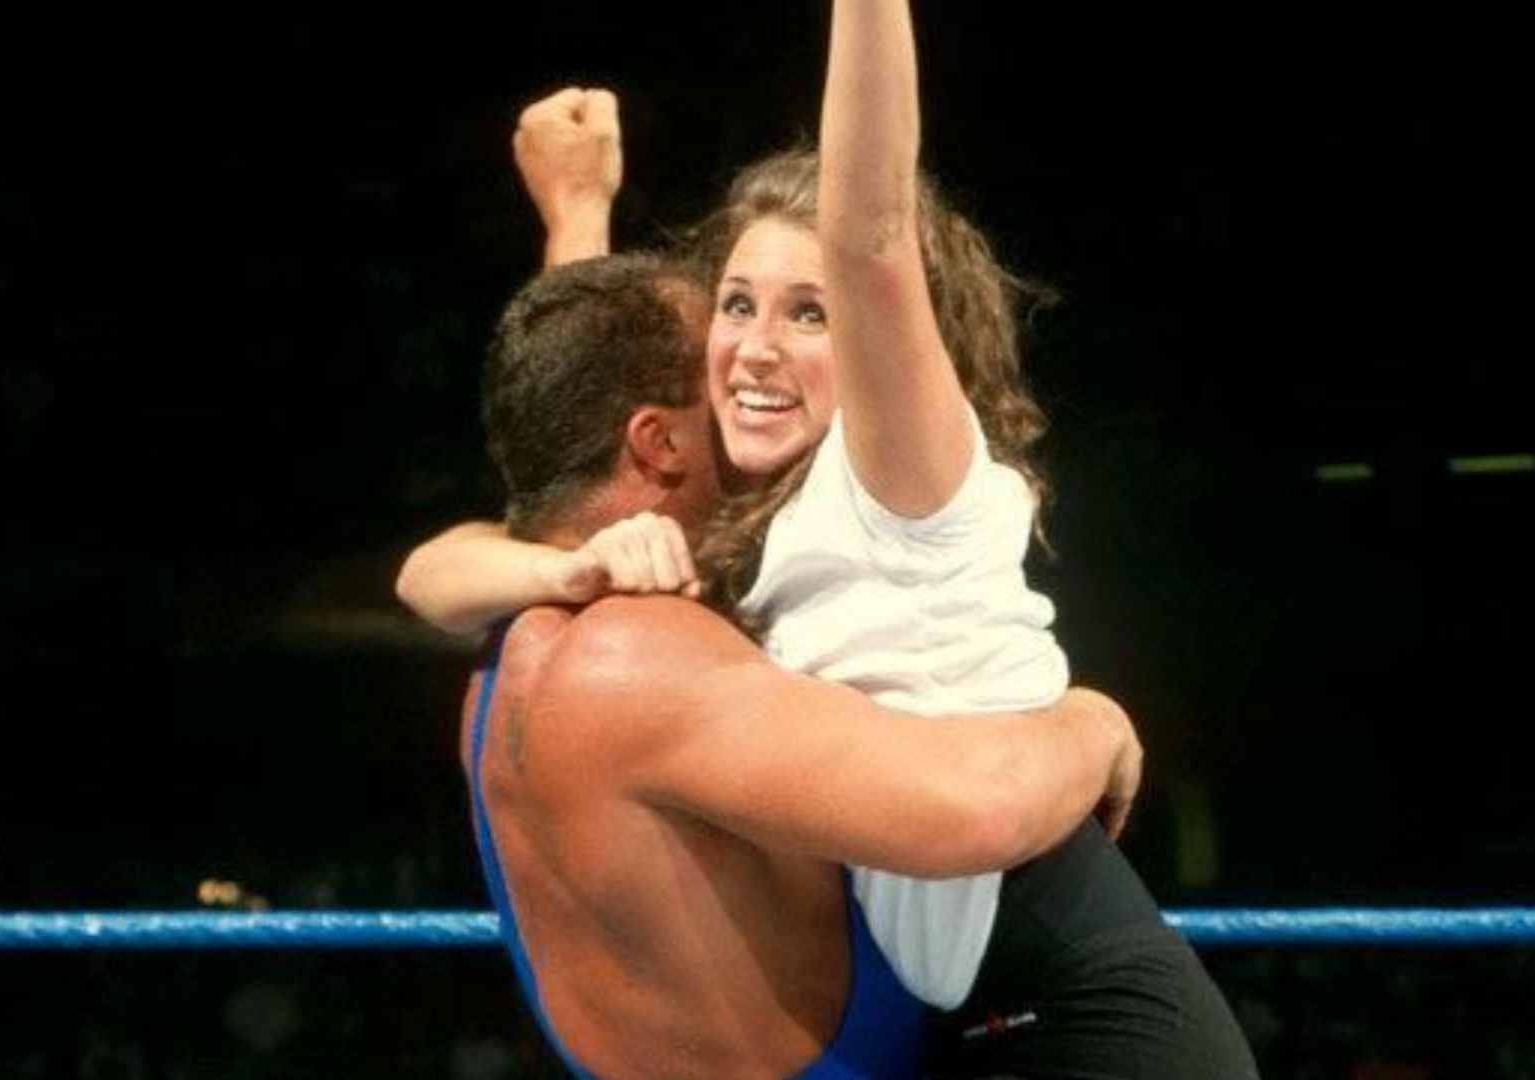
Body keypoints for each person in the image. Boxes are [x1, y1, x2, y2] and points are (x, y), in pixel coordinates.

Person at [403, 3, 1260, 1075]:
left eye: (810, 314)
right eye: (736, 305)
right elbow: (568, 444)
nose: (757, 349)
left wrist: (1093, 725)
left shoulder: (898, 480)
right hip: (972, 1025)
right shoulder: (746, 526)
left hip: (1084, 1011)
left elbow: (870, 236)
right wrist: (578, 218)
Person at [458, 250, 1142, 1079]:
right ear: (658, 440)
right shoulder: (633, 656)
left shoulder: (507, 649)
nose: (746, 384)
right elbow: (978, 810)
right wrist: (1092, 723)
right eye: (718, 383)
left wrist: (573, 211)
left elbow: (566, 401)